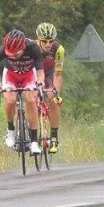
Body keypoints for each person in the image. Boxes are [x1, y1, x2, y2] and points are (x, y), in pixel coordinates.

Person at [0, 29, 45, 155]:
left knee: (30, 100)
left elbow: (40, 72)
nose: (12, 56)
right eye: (9, 53)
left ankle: (34, 142)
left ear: (23, 46)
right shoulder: (3, 48)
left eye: (16, 53)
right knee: (10, 100)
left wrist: (40, 81)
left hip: (29, 75)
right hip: (10, 76)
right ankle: (10, 129)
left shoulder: (33, 47)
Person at [34, 22, 64, 153]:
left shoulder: (58, 49)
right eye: (44, 41)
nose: (48, 44)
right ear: (38, 39)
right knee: (31, 99)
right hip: (34, 74)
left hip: (49, 74)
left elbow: (58, 74)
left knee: (52, 99)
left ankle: (54, 137)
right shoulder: (32, 47)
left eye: (50, 41)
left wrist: (56, 92)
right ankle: (33, 134)